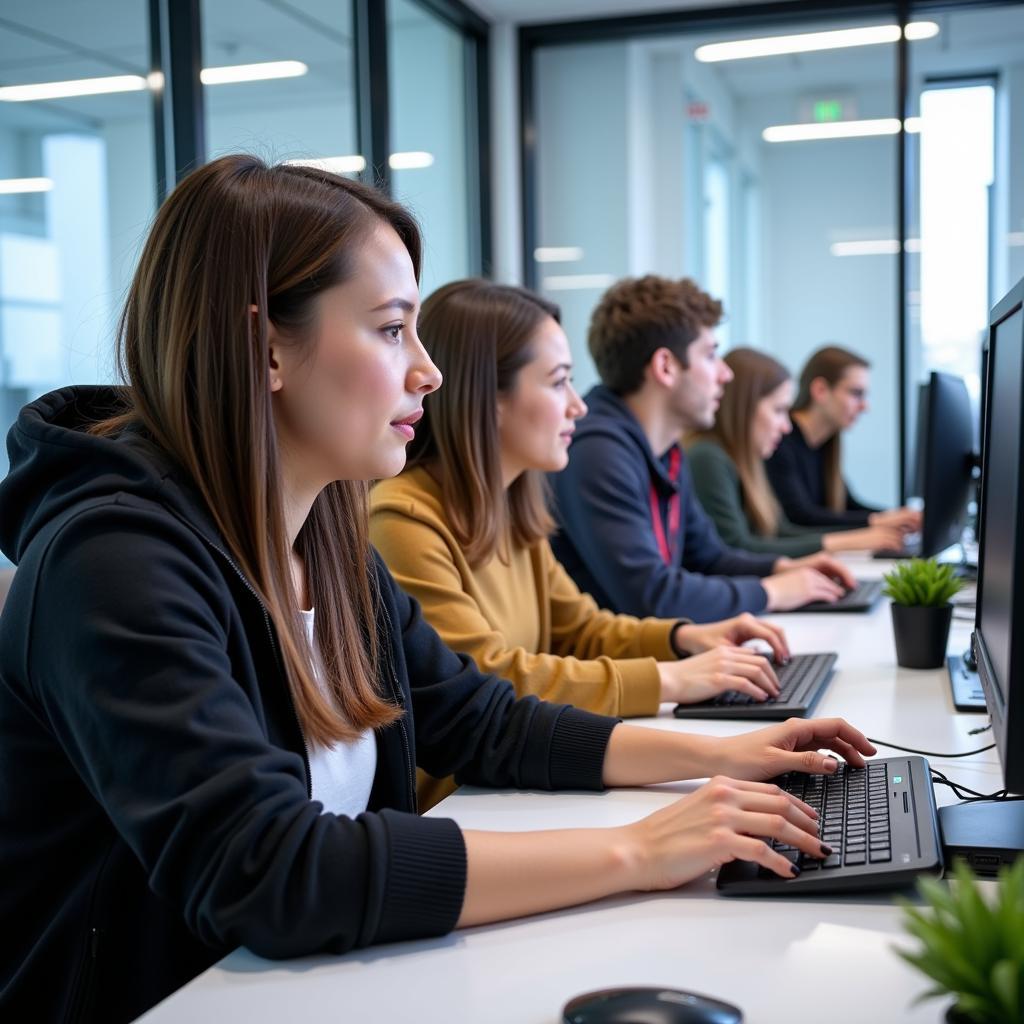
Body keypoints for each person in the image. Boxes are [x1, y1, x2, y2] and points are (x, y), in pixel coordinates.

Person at [0, 157, 876, 1022]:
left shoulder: (326, 538)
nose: (430, 371)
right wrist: (638, 850)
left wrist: (717, 760)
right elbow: (266, 870)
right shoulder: (111, 562)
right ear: (264, 347)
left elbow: (478, 718)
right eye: (391, 330)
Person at [370, 281, 793, 808]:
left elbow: (582, 628)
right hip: (461, 802)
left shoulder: (509, 507)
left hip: (516, 782)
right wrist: (669, 678)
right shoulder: (403, 518)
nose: (578, 407)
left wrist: (685, 638)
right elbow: (490, 680)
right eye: (558, 383)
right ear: (488, 398)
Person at [549, 275, 856, 624]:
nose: (725, 374)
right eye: (710, 355)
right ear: (665, 367)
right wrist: (774, 591)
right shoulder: (597, 454)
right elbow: (653, 597)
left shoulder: (665, 452)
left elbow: (709, 558)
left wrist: (784, 567)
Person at [686, 348, 906, 558]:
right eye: (778, 410)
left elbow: (779, 531)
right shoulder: (708, 458)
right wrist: (850, 540)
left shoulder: (746, 460)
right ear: (746, 408)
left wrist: (868, 532)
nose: (786, 426)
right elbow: (736, 547)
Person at [765, 345, 921, 532]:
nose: (865, 407)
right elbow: (801, 516)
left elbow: (848, 506)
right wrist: (880, 521)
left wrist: (901, 518)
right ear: (820, 390)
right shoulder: (777, 441)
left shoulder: (827, 444)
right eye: (856, 393)